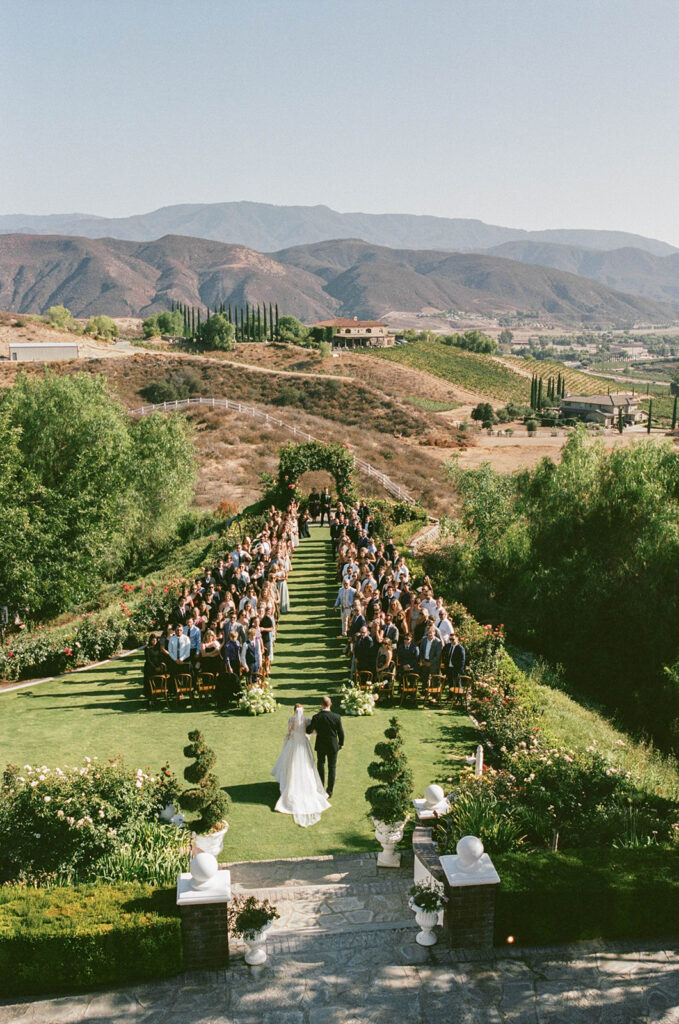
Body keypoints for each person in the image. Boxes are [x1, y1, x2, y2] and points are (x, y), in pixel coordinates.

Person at [271, 704, 331, 827]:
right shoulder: (307, 720)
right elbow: (312, 731)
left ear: (294, 711)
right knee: (307, 766)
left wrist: (287, 740)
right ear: (302, 711)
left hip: (294, 744)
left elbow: (289, 732)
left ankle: (289, 783)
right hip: (303, 744)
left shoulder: (291, 720)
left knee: (292, 765)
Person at [306, 696, 344, 798]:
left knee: (321, 765)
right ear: (330, 704)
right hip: (332, 745)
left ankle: (321, 788)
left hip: (321, 744)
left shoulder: (316, 717)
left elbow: (309, 730)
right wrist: (341, 743)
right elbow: (341, 732)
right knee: (332, 768)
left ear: (321, 705)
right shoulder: (336, 717)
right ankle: (329, 791)